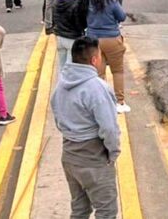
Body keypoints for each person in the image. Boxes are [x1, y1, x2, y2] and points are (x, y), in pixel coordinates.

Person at [51, 37, 120, 219]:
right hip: (93, 158)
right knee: (107, 211)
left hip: (69, 155)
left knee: (80, 209)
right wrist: (112, 154)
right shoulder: (97, 88)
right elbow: (110, 129)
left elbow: (58, 119)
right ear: (94, 60)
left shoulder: (61, 85)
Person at [81, 0, 129, 113]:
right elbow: (122, 17)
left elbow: (81, 19)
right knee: (117, 70)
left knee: (98, 73)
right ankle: (119, 102)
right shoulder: (110, 1)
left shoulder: (85, 2)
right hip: (112, 38)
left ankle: (101, 102)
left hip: (92, 40)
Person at [53, 0, 85, 72]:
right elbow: (79, 22)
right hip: (72, 38)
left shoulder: (58, 1)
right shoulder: (76, 3)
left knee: (62, 68)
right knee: (73, 69)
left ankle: (61, 85)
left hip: (60, 36)